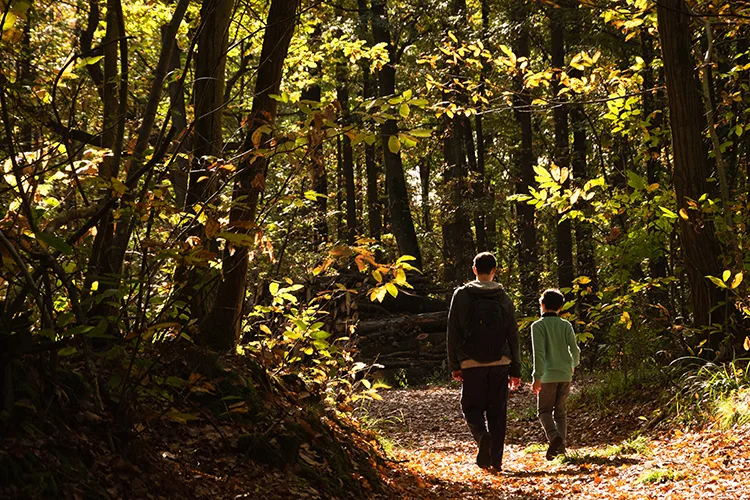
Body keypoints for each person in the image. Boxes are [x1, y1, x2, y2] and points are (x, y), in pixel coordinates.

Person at [447, 252, 522, 471]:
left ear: (474, 270)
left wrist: (455, 364)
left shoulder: (461, 295)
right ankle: (496, 462)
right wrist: (516, 369)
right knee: (498, 412)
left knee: (471, 407)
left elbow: (453, 331)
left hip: (471, 363)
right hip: (501, 362)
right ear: (494, 271)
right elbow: (513, 336)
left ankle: (481, 436)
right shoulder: (504, 298)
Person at [531, 288, 581, 460]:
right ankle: (561, 449)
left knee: (544, 411)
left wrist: (536, 376)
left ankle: (554, 437)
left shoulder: (537, 326)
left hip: (547, 375)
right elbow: (575, 350)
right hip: (565, 373)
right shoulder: (566, 325)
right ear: (560, 307)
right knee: (560, 413)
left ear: (542, 305)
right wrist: (573, 364)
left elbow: (539, 353)